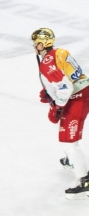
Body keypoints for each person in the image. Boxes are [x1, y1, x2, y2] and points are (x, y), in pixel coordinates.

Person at [32, 28, 89, 198]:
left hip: (76, 97)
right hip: (81, 93)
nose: (34, 46)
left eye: (36, 43)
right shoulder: (57, 53)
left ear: (43, 44)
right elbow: (64, 79)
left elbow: (66, 87)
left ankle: (84, 180)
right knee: (68, 139)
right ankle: (74, 161)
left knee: (68, 142)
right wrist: (50, 94)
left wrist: (57, 105)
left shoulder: (47, 63)